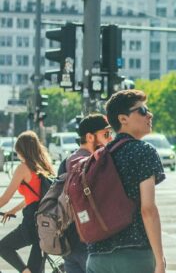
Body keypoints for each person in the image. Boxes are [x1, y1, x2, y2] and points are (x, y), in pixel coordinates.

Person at [86, 90, 166, 273]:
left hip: (97, 257)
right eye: (143, 110)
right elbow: (148, 210)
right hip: (134, 255)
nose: (150, 114)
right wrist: (159, 260)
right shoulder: (143, 151)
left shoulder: (99, 157)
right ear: (123, 119)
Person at [57, 114, 114, 273]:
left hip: (69, 242)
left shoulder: (66, 162)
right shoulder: (95, 163)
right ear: (90, 137)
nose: (110, 138)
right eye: (106, 134)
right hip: (92, 244)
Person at [0, 130, 55, 273]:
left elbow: (6, 198)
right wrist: (13, 210)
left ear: (21, 150)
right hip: (47, 222)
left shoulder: (23, 168)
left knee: (3, 247)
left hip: (32, 222)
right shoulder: (44, 166)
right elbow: (36, 197)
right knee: (37, 269)